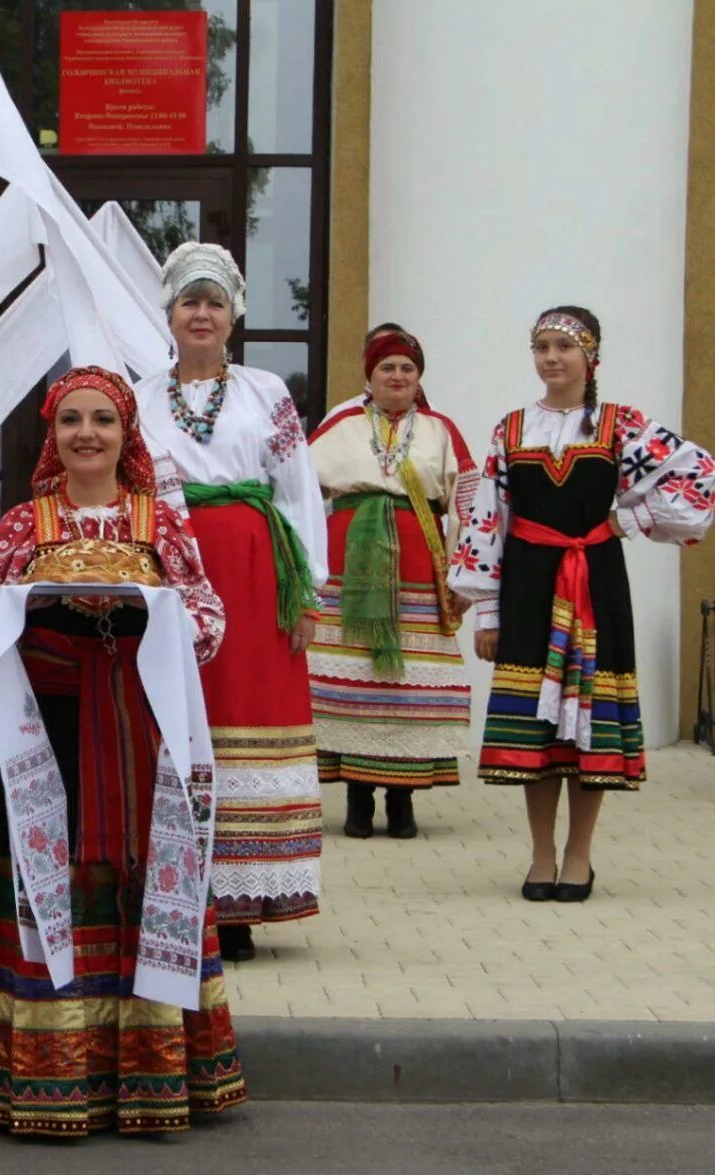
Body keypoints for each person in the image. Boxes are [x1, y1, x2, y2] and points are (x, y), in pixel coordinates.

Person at [0, 366, 243, 1137]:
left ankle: (152, 1077)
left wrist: (163, 620)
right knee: (43, 880)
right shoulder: (19, 526)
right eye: (71, 420)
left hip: (139, 729)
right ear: (53, 435)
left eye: (102, 419)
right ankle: (42, 1075)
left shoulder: (159, 521)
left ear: (125, 433)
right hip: (48, 732)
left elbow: (210, 613)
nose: (87, 434)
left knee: (143, 875)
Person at [450, 306, 714, 901]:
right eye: (541, 346)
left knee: (586, 728)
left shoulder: (621, 426)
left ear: (590, 357)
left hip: (594, 580)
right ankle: (541, 853)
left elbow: (698, 477)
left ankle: (580, 854)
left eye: (564, 347)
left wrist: (631, 517)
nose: (551, 358)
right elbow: (488, 519)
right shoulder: (511, 429)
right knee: (537, 727)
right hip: (528, 584)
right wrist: (486, 612)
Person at [135, 242, 328, 962]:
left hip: (252, 570)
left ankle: (240, 902)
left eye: (214, 302)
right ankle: (180, 894)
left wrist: (308, 590)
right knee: (182, 716)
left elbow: (297, 487)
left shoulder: (266, 393)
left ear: (234, 314)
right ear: (170, 313)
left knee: (246, 712)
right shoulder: (141, 395)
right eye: (190, 301)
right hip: (171, 568)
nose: (202, 314)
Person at [307, 328, 477, 837]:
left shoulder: (440, 429)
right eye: (387, 367)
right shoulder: (340, 424)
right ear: (370, 374)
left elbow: (468, 501)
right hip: (347, 571)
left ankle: (402, 802)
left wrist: (465, 573)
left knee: (406, 683)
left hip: (418, 574)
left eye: (407, 367)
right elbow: (298, 491)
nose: (397, 376)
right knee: (353, 674)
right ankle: (358, 801)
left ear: (419, 375)